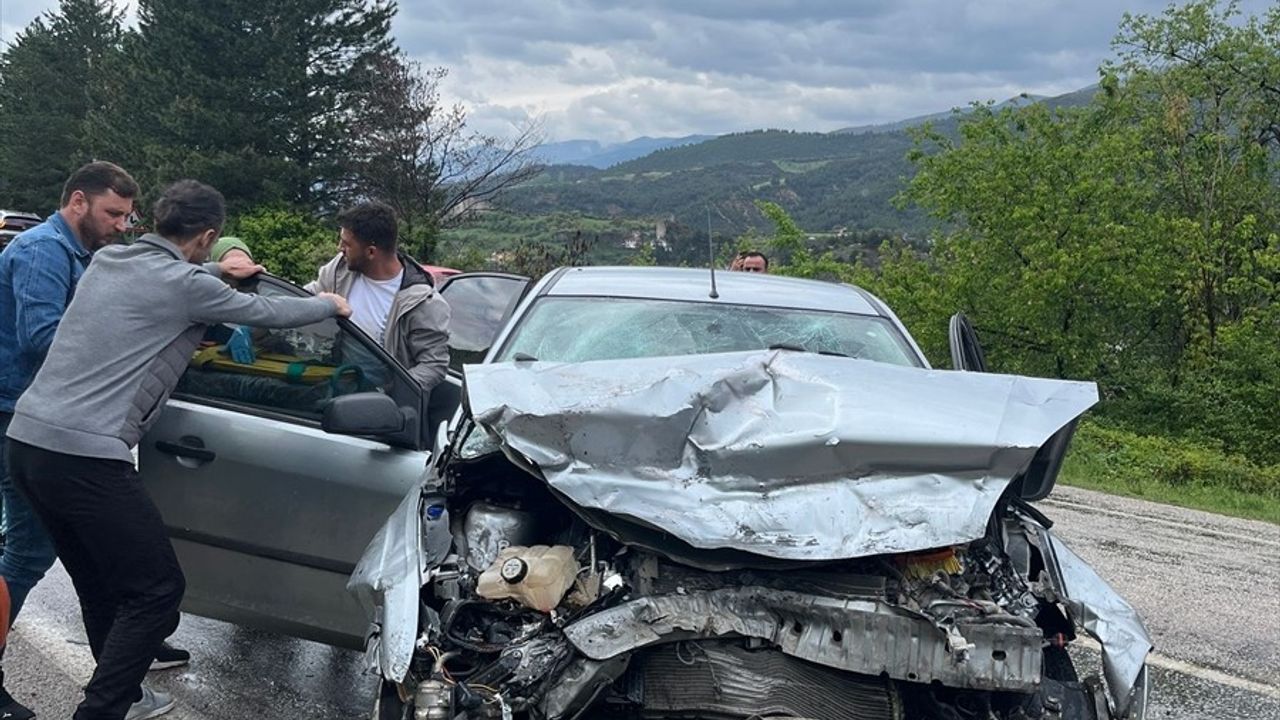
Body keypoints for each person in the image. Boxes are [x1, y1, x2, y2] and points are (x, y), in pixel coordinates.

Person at [4, 180, 351, 720]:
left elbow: (171, 280)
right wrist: (327, 302)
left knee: (100, 584)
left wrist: (213, 270)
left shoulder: (110, 262)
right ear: (207, 236)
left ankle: (123, 699)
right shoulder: (188, 285)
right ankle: (100, 711)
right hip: (87, 456)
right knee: (158, 591)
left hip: (27, 444)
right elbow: (272, 315)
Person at [0, 162, 139, 720]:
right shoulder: (43, 252)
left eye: (128, 217)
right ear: (77, 201)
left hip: (24, 414)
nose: (121, 226)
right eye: (113, 214)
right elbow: (43, 340)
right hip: (14, 415)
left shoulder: (73, 254)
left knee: (28, 545)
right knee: (30, 548)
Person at [305, 201, 450, 392]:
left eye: (346, 244)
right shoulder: (340, 270)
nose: (339, 248)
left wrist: (387, 395)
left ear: (371, 252)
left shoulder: (423, 304)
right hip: (334, 386)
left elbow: (433, 366)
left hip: (382, 409)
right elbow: (305, 298)